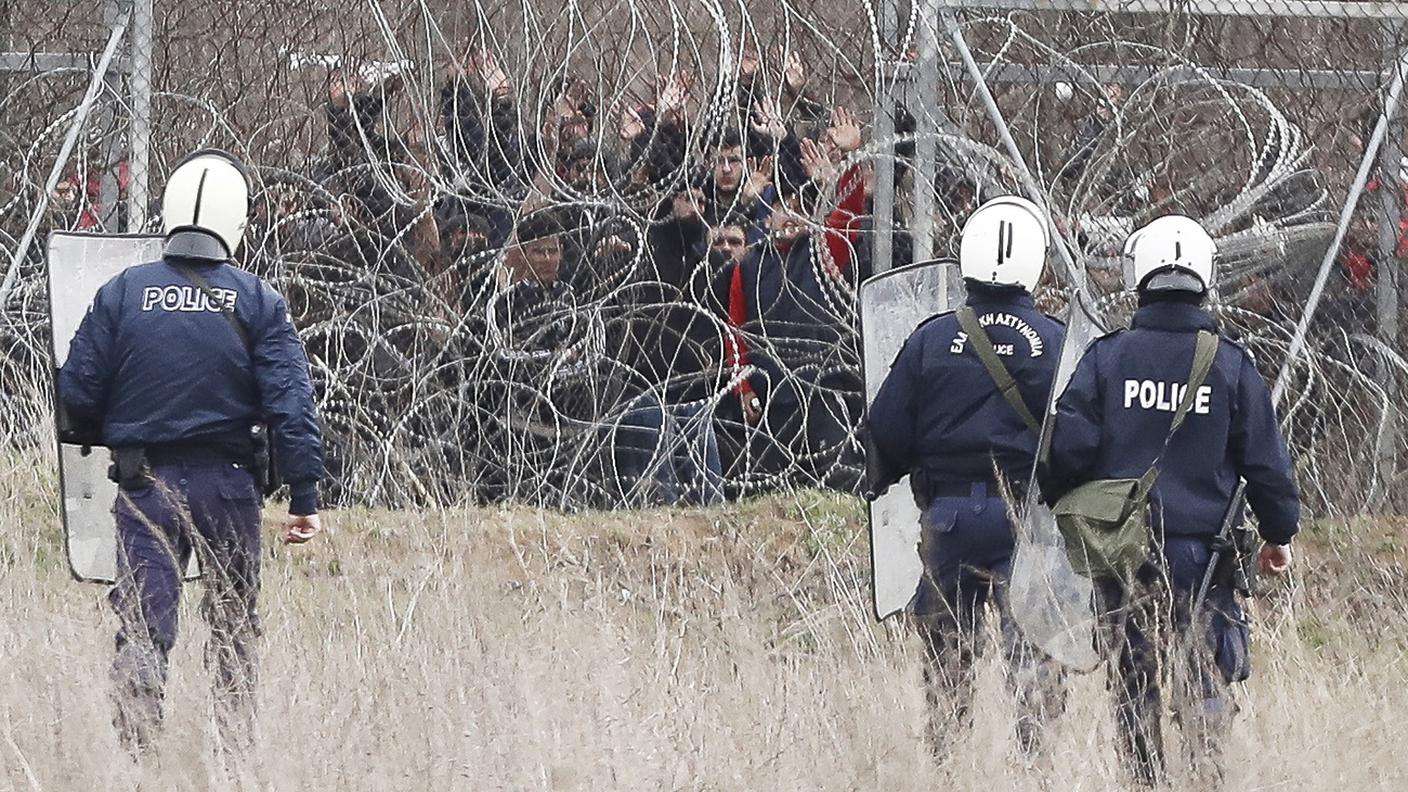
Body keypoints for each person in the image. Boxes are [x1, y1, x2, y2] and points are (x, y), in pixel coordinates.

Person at [57, 149, 325, 753]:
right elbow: (291, 405)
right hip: (230, 487)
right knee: (234, 630)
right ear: (237, 225)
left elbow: (75, 391)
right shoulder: (258, 301)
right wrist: (303, 494)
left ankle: (137, 757)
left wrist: (123, 425)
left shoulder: (123, 293)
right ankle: (234, 756)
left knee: (144, 627)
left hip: (146, 485)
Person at [1041, 215, 1300, 786]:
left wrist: (1067, 505)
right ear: (1205, 278)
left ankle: (1143, 780)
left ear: (1140, 278)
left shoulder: (1107, 359)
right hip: (1205, 555)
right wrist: (1279, 534)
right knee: (1206, 680)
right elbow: (1266, 466)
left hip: (1123, 553)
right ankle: (1206, 778)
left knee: (1135, 685)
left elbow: (1068, 450)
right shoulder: (1231, 365)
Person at [865, 196, 1068, 760]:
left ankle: (949, 762)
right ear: (1034, 260)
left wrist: (897, 478)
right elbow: (1079, 438)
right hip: (1027, 522)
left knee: (947, 657)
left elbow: (885, 431)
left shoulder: (931, 339)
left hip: (948, 519)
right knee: (1030, 658)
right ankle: (1034, 765)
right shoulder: (1055, 341)